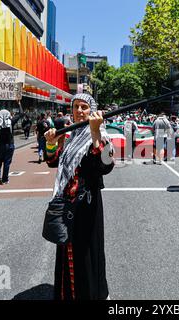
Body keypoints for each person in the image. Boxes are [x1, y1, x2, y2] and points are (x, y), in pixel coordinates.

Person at [44, 93, 115, 300]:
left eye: (85, 107)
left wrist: (94, 131)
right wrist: (51, 143)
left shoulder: (101, 133)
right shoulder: (70, 135)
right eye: (76, 106)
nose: (80, 111)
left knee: (86, 253)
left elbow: (105, 166)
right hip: (67, 204)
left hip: (87, 205)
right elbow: (53, 161)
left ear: (92, 110)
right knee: (67, 248)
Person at [0, 99, 24, 187]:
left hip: (0, 145)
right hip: (10, 145)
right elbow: (20, 114)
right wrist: (19, 103)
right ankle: (4, 179)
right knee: (7, 162)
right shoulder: (11, 122)